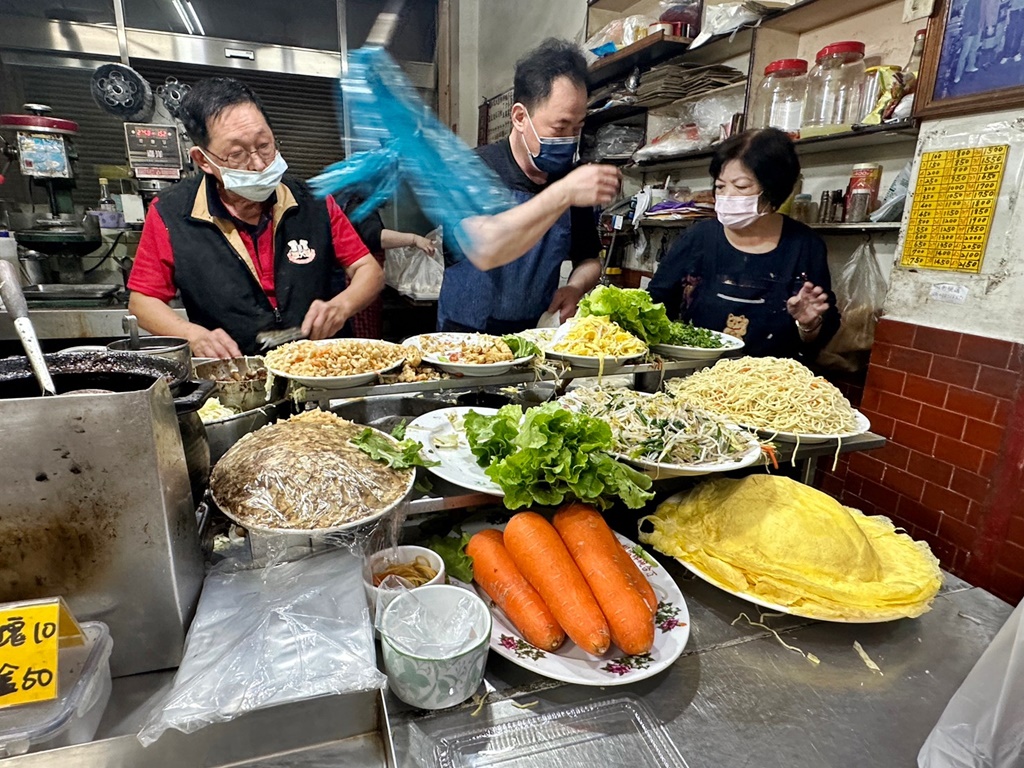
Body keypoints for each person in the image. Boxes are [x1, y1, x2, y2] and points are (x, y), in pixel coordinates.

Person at [127, 77, 384, 358]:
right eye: (237, 154)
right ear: (203, 160)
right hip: (238, 375)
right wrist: (192, 334)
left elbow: (368, 270)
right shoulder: (172, 212)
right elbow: (143, 302)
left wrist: (342, 306)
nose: (259, 164)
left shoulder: (314, 201)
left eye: (264, 145)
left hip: (320, 367)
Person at [436, 38, 621, 334]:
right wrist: (561, 194)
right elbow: (485, 246)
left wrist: (574, 287)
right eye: (560, 128)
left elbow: (589, 258)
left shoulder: (569, 179)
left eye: (578, 127)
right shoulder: (470, 171)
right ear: (520, 117)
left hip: (534, 335)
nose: (570, 139)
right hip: (464, 340)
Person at [647, 128, 839, 361]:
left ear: (773, 190)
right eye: (720, 186)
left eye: (741, 186)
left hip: (771, 386)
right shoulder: (698, 238)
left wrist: (808, 324)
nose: (726, 196)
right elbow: (655, 303)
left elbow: (822, 331)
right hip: (696, 376)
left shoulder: (805, 246)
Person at [335, 194, 435, 337]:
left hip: (362, 284)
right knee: (365, 339)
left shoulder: (351, 204)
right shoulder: (360, 206)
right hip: (360, 284)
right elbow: (375, 236)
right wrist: (414, 239)